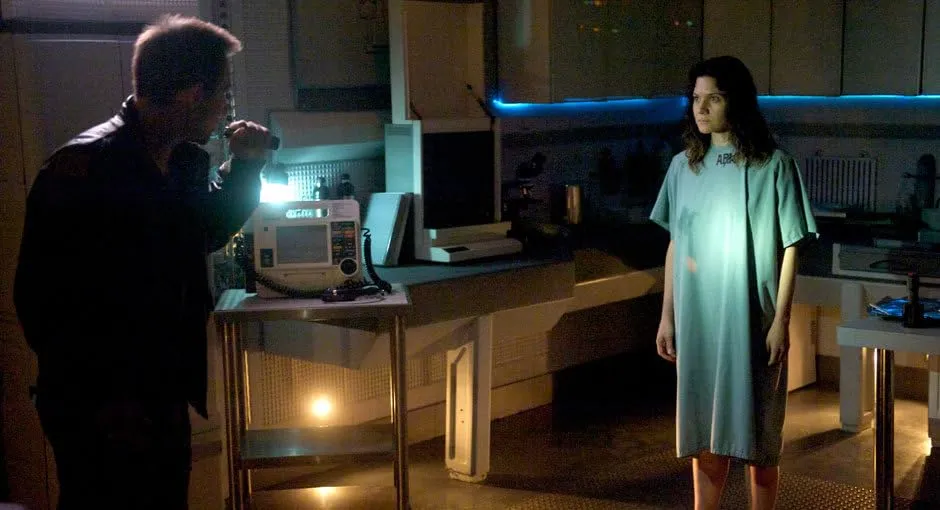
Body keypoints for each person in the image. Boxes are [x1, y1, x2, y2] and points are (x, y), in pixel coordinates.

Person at [13, 15, 274, 510]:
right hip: (101, 407)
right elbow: (39, 300)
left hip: (160, 392)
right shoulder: (84, 168)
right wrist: (101, 402)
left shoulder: (180, 162)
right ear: (192, 95)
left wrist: (246, 165)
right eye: (223, 94)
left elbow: (207, 228)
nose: (226, 109)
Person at [649, 56, 817, 510]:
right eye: (696, 99)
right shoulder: (683, 167)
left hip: (752, 319)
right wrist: (667, 317)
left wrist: (781, 321)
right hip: (699, 322)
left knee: (759, 436)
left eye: (714, 98)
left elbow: (792, 246)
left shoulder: (773, 166)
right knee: (704, 431)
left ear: (736, 102)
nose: (701, 109)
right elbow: (676, 244)